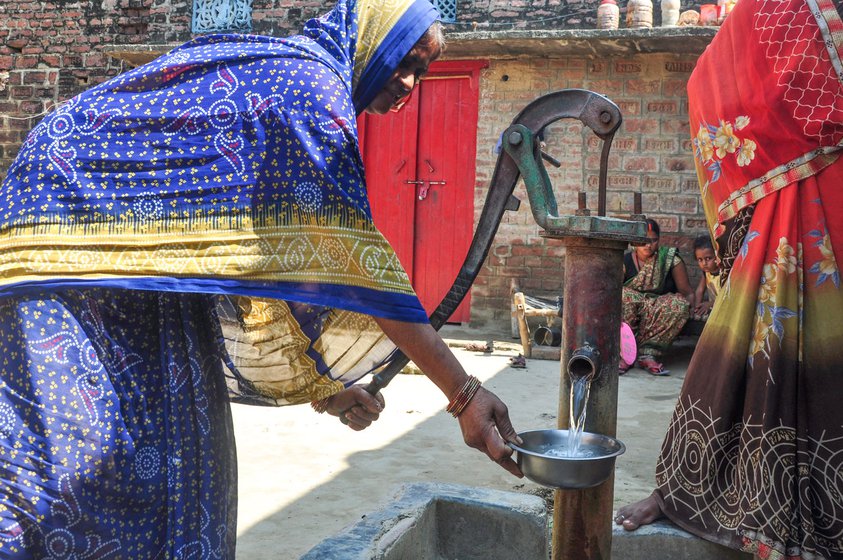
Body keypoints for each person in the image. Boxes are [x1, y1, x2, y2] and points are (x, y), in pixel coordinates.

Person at [0, 1, 524, 557]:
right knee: (79, 457)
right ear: (372, 39)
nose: (409, 84)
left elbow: (267, 269)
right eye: (406, 61)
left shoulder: (291, 78)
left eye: (422, 71)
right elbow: (361, 272)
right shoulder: (311, 91)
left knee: (178, 446)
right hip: (60, 235)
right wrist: (463, 394)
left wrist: (324, 387)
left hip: (139, 265)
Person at [615, 0, 843, 557]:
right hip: (793, 201)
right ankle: (691, 491)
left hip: (817, 205)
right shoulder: (773, 17)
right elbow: (714, 88)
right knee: (753, 345)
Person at [620, 218, 694, 375]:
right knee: (621, 295)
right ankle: (625, 354)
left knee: (680, 304)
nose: (648, 245)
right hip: (632, 308)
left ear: (659, 240)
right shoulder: (625, 261)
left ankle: (648, 353)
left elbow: (687, 293)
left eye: (653, 241)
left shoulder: (669, 259)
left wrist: (690, 311)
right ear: (635, 242)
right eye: (644, 241)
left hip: (659, 308)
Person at [691, 234, 721, 320]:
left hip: (723, 306)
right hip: (712, 307)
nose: (704, 263)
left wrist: (710, 304)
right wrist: (697, 307)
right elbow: (700, 291)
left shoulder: (723, 273)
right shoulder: (706, 273)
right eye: (700, 260)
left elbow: (727, 298)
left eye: (708, 258)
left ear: (716, 256)